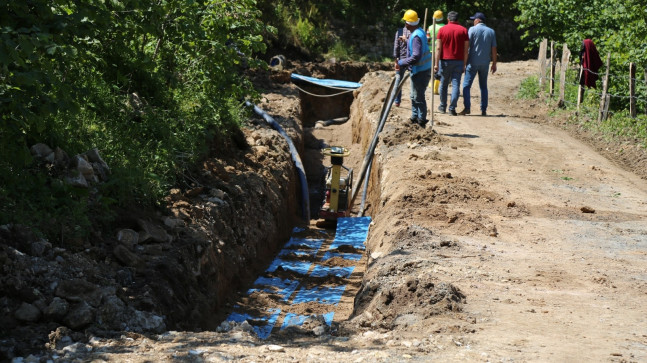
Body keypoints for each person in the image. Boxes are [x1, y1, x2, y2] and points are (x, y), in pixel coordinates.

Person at [396, 9, 433, 127]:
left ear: (408, 24)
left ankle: (421, 120)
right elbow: (417, 48)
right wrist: (407, 41)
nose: (405, 24)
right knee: (413, 95)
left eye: (406, 22)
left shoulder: (416, 35)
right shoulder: (418, 32)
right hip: (419, 70)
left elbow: (416, 56)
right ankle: (414, 116)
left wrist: (402, 62)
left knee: (418, 96)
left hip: (421, 71)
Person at [460, 12, 497, 116]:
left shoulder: (472, 30)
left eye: (474, 20)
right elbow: (494, 49)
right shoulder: (491, 31)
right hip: (485, 63)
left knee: (466, 86)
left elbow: (467, 47)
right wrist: (494, 63)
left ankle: (467, 108)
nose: (473, 22)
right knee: (483, 86)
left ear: (477, 20)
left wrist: (464, 62)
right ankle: (483, 109)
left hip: (472, 62)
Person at [434, 11, 469, 116]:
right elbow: (466, 49)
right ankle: (452, 108)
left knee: (443, 84)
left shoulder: (442, 30)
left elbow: (438, 48)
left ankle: (442, 106)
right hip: (458, 61)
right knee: (456, 85)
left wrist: (436, 64)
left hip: (445, 61)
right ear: (457, 20)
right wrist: (464, 64)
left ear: (448, 20)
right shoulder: (463, 30)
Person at [426, 10, 445, 95]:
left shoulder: (430, 27)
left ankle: (431, 83)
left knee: (432, 68)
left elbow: (428, 40)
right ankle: (435, 88)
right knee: (438, 68)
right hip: (441, 51)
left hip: (431, 50)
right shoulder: (445, 27)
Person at [393, 25, 411, 107]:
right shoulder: (416, 32)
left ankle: (397, 101)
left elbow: (396, 47)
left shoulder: (399, 31)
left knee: (398, 80)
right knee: (414, 81)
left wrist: (396, 61)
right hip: (412, 59)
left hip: (401, 59)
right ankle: (415, 102)